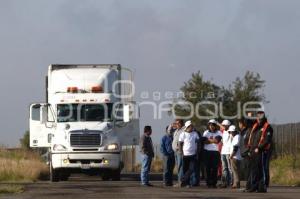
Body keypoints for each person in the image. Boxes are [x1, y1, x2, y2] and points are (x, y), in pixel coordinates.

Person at [246, 110, 273, 193]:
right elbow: (247, 123)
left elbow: (267, 140)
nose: (259, 119)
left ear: (263, 117)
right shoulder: (255, 125)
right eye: (258, 117)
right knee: (254, 169)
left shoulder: (268, 127)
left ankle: (262, 186)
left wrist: (259, 148)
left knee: (262, 169)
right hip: (253, 151)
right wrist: (249, 117)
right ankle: (254, 186)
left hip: (262, 151)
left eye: (261, 117)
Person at [178, 120, 200, 188]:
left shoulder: (195, 133)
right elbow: (180, 144)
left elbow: (198, 143)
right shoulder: (183, 134)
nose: (192, 127)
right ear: (187, 127)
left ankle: (182, 180)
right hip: (185, 154)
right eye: (190, 126)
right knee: (185, 169)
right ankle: (187, 183)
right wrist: (181, 152)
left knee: (192, 168)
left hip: (193, 154)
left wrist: (197, 152)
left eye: (192, 126)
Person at [203, 119, 223, 188]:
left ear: (215, 126)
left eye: (212, 125)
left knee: (214, 168)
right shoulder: (206, 132)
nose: (211, 126)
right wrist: (212, 140)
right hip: (207, 152)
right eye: (210, 125)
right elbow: (204, 141)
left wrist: (209, 140)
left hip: (215, 152)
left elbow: (217, 141)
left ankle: (214, 183)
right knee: (207, 168)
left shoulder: (219, 132)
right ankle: (208, 183)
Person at [238, 118, 251, 191]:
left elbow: (249, 142)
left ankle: (249, 186)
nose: (239, 125)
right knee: (246, 170)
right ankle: (248, 186)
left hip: (247, 153)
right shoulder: (242, 132)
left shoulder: (248, 131)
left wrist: (249, 151)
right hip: (243, 153)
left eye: (240, 123)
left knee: (248, 170)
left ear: (243, 124)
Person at [220, 120, 232, 188]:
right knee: (224, 168)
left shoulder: (230, 132)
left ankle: (231, 181)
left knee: (230, 168)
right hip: (223, 152)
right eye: (223, 125)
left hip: (228, 152)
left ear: (228, 125)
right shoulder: (223, 132)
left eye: (224, 125)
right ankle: (225, 181)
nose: (223, 126)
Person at [172, 119, 185, 186]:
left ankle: (181, 182)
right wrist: (171, 126)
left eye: (177, 123)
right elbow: (168, 132)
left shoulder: (183, 130)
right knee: (178, 166)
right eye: (176, 123)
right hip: (175, 151)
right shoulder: (177, 130)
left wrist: (180, 149)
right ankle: (180, 181)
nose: (176, 125)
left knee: (180, 166)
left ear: (181, 123)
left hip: (180, 151)